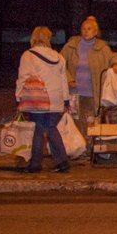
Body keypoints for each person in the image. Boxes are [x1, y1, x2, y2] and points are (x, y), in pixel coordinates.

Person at [15, 26, 71, 174]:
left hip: (38, 98)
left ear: (33, 37)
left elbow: (23, 77)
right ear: (48, 38)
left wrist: (19, 97)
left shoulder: (28, 55)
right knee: (51, 128)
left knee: (37, 130)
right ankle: (62, 161)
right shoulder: (59, 57)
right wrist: (66, 100)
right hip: (55, 99)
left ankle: (35, 164)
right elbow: (63, 80)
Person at [60, 15, 117, 141]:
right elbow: (60, 63)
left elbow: (114, 57)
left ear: (95, 32)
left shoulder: (102, 47)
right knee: (75, 121)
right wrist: (69, 78)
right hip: (74, 93)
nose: (86, 31)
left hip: (93, 94)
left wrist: (116, 64)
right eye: (83, 29)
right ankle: (77, 147)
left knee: (91, 123)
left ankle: (89, 147)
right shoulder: (71, 46)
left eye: (89, 29)